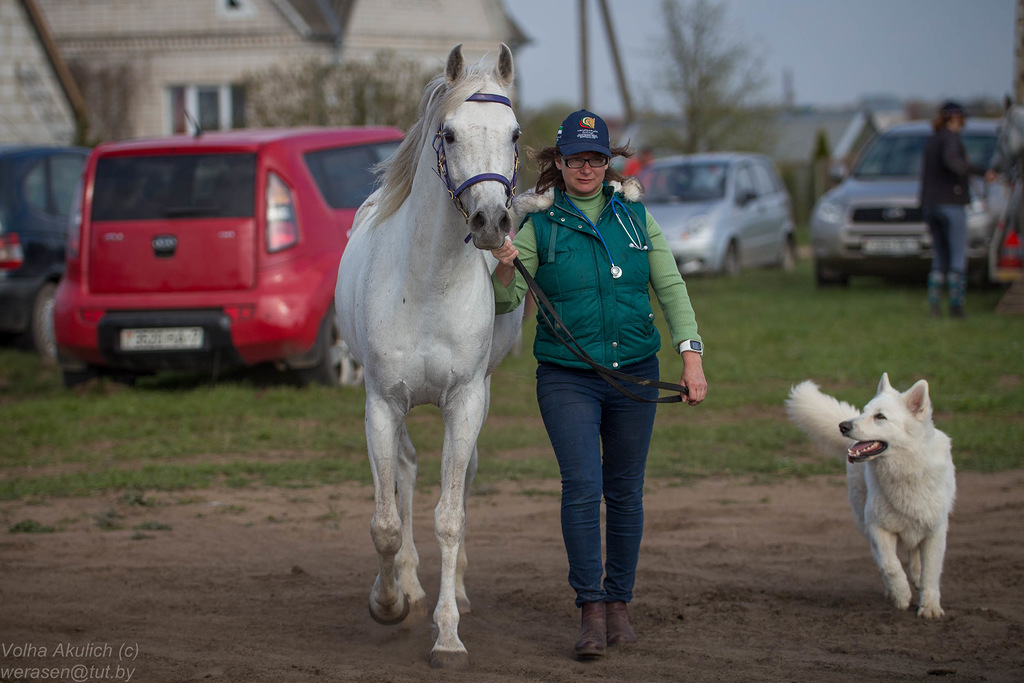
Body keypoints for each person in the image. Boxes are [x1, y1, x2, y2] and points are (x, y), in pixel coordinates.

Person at [489, 110, 708, 659]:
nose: (585, 168)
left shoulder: (636, 217)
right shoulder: (538, 224)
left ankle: (619, 604)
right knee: (584, 488)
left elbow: (671, 287)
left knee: (626, 493)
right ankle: (590, 607)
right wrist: (504, 265)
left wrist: (691, 356)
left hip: (635, 373)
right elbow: (507, 301)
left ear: (607, 163)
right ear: (558, 163)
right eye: (574, 158)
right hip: (567, 379)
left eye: (595, 158)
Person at [919, 101, 997, 318]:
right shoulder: (950, 139)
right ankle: (956, 306)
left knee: (940, 257)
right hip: (951, 204)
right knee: (957, 256)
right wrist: (980, 171)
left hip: (929, 204)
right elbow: (954, 163)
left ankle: (934, 306)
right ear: (956, 118)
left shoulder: (932, 140)